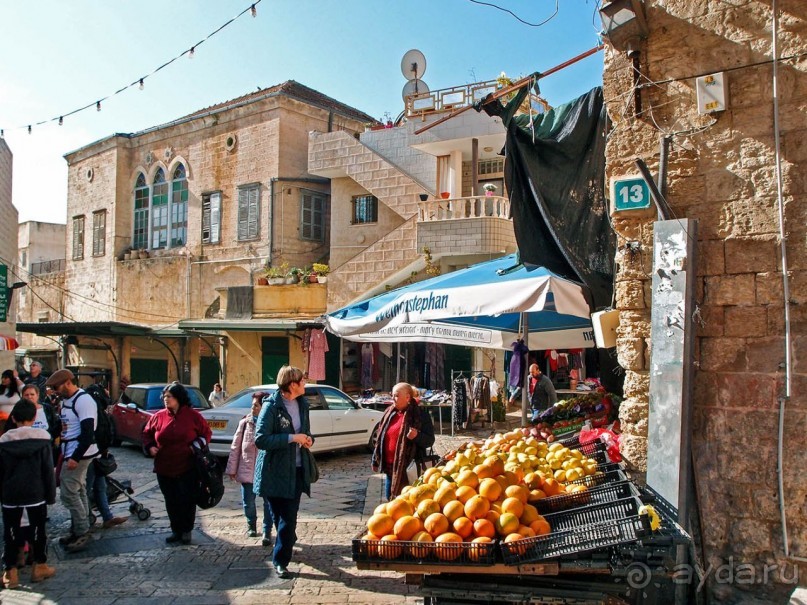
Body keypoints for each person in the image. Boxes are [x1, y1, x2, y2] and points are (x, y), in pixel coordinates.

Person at [254, 366, 316, 579]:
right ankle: (287, 539)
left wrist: (308, 439)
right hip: (273, 471)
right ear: (292, 384)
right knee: (278, 515)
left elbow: (306, 431)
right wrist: (292, 438)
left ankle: (280, 560)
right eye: (302, 380)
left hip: (296, 469)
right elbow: (261, 439)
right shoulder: (271, 407)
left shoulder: (302, 404)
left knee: (288, 517)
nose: (305, 383)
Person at [142, 382, 211, 545]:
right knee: (171, 500)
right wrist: (150, 446)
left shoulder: (193, 416)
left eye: (170, 396)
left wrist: (196, 446)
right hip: (164, 467)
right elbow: (146, 433)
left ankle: (186, 530)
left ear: (179, 398)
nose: (166, 399)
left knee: (187, 499)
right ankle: (176, 530)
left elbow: (206, 434)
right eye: (164, 396)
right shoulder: (158, 416)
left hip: (188, 467)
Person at [0, 400, 57, 588]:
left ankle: (11, 572)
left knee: (10, 533)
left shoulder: (4, 442)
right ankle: (39, 566)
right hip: (35, 493)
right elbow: (48, 470)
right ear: (34, 418)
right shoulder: (42, 440)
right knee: (39, 531)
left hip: (10, 494)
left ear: (13, 418)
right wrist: (50, 495)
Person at [48, 368, 98, 553]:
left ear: (68, 383)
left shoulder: (83, 400)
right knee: (79, 490)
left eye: (56, 387)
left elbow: (88, 432)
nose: (55, 391)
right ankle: (81, 527)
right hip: (71, 451)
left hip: (79, 454)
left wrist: (75, 457)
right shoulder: (67, 400)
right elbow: (62, 425)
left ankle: (81, 531)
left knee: (69, 493)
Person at [371, 382, 435, 501]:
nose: (393, 398)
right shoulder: (389, 412)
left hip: (409, 470)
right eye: (392, 395)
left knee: (407, 502)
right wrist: (375, 460)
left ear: (407, 397)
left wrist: (416, 436)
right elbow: (381, 437)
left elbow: (429, 441)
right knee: (391, 500)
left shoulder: (420, 416)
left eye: (396, 395)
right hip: (391, 469)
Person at [225, 392, 272, 546]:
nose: (253, 408)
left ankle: (267, 530)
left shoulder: (270, 423)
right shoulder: (245, 423)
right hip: (247, 470)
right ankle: (251, 525)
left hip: (266, 471)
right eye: (252, 405)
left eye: (256, 405)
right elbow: (235, 447)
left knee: (268, 503)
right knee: (248, 502)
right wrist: (232, 469)